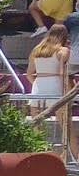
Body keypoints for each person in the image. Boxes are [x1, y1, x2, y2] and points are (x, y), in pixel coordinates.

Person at [28, 23, 74, 157]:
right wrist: (69, 92)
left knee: (36, 128)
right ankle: (75, 156)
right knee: (67, 128)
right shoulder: (63, 50)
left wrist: (39, 85)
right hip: (55, 87)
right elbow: (62, 73)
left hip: (38, 87)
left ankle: (37, 156)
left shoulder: (36, 50)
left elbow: (29, 74)